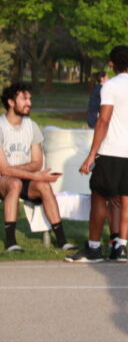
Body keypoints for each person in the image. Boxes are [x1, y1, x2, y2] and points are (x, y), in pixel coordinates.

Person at [66, 45, 128, 263]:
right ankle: (121, 247)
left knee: (99, 196)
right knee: (126, 197)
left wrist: (92, 154)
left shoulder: (110, 86)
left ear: (111, 64)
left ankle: (94, 248)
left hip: (111, 148)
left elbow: (103, 119)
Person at [0, 83, 75, 253]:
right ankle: (11, 242)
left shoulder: (31, 126)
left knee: (43, 186)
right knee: (14, 184)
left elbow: (37, 163)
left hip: (23, 178)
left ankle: (62, 241)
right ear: (11, 102)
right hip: (3, 181)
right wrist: (33, 175)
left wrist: (21, 172)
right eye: (24, 99)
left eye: (30, 99)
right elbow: (3, 170)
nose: (29, 103)